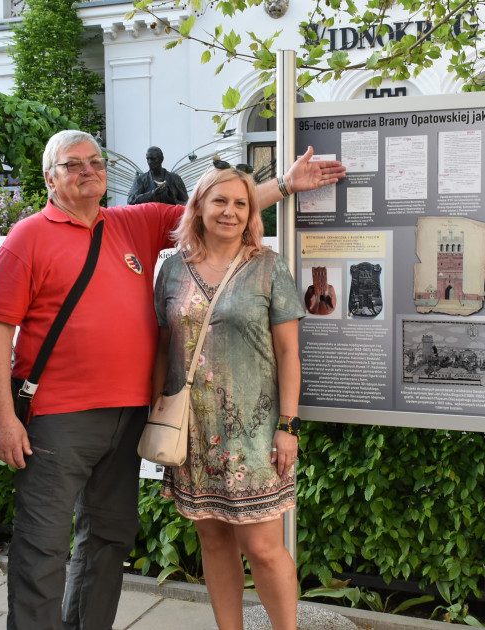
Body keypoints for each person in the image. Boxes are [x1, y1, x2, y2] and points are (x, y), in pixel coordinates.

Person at [0, 129, 343, 630]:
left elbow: (216, 210)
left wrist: (284, 184)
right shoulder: (28, 236)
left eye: (95, 161)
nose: (88, 170)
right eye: (73, 164)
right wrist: (3, 416)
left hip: (130, 417)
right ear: (50, 177)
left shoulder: (133, 224)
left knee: (107, 539)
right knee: (42, 546)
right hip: (59, 418)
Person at [152, 162, 304, 630]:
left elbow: (288, 353)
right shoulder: (173, 269)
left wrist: (288, 426)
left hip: (254, 435)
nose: (231, 212)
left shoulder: (267, 265)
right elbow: (163, 348)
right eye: (220, 201)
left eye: (241, 203)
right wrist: (157, 417)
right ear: (198, 207)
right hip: (193, 434)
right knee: (214, 543)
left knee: (262, 547)